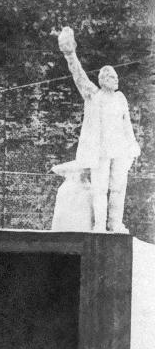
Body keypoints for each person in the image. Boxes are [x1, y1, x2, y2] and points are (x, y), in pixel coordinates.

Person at [57, 26, 140, 233]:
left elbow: (127, 124)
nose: (116, 79)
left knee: (119, 188)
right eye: (112, 76)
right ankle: (100, 225)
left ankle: (115, 223)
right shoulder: (94, 95)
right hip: (101, 151)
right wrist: (70, 53)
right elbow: (78, 75)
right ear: (103, 80)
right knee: (100, 190)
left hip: (120, 150)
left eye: (116, 76)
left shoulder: (121, 98)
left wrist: (133, 145)